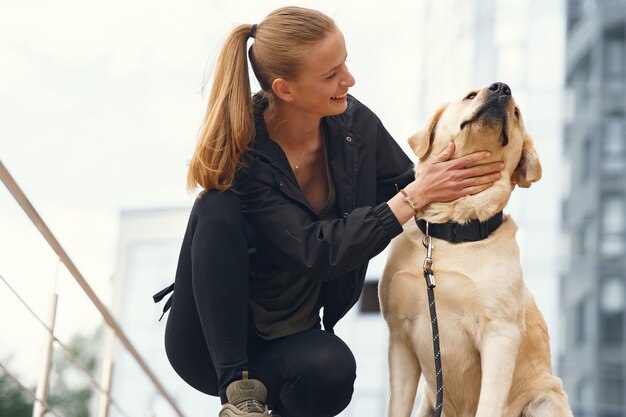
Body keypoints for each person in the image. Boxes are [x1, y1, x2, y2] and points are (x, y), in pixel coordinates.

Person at [159, 6, 503, 417]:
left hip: (288, 337)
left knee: (334, 368)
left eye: (345, 63)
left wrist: (470, 169)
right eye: (331, 74)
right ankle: (238, 398)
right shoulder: (245, 157)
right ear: (285, 90)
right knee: (216, 205)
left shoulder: (355, 126)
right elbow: (317, 251)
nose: (349, 80)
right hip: (213, 348)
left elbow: (413, 186)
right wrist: (414, 196)